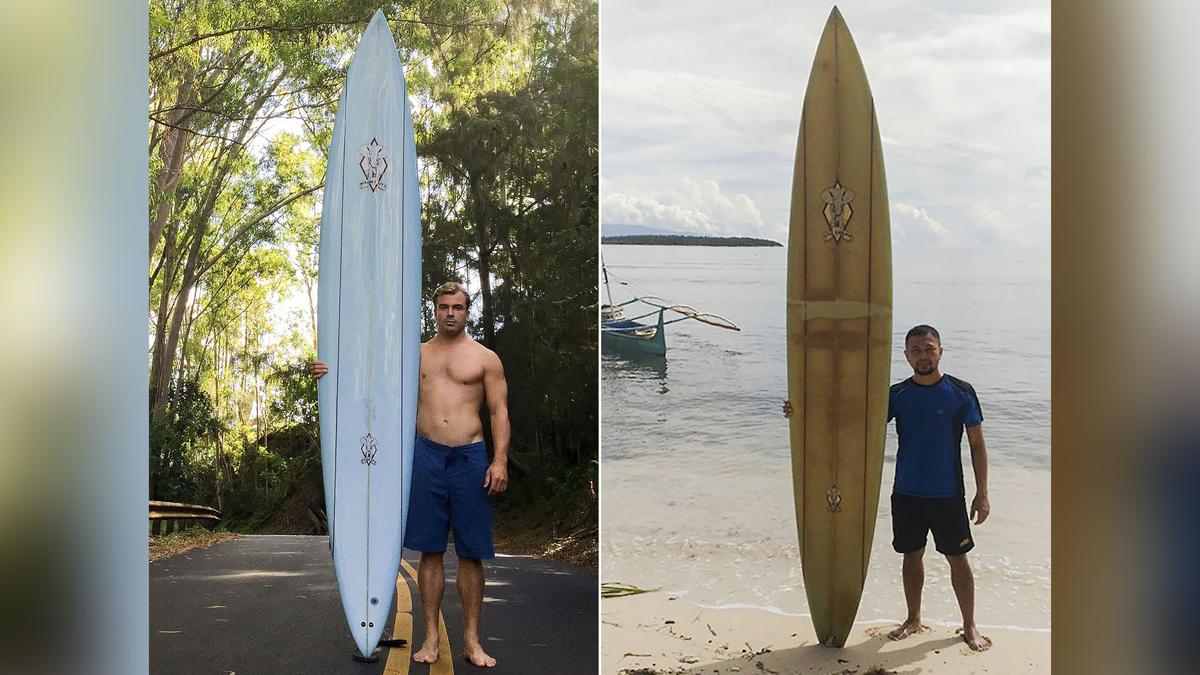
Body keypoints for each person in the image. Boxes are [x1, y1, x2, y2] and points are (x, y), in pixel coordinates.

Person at [312, 281, 510, 668]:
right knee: (430, 549)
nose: (450, 313)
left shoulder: (486, 358)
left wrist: (499, 460)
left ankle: (472, 641)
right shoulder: (413, 355)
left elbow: (499, 412)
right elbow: (371, 379)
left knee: (472, 553)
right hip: (426, 455)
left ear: (468, 312)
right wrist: (329, 371)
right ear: (433, 310)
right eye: (443, 307)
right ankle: (431, 638)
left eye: (458, 307)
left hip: (470, 457)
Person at [783, 324, 992, 651]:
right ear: (906, 356)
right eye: (916, 350)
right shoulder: (896, 396)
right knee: (911, 556)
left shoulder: (961, 392)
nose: (923, 355)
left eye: (929, 348)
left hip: (948, 494)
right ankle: (913, 618)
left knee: (958, 558)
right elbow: (851, 422)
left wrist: (982, 493)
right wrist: (801, 412)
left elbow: (977, 444)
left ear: (940, 350)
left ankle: (969, 625)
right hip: (907, 492)